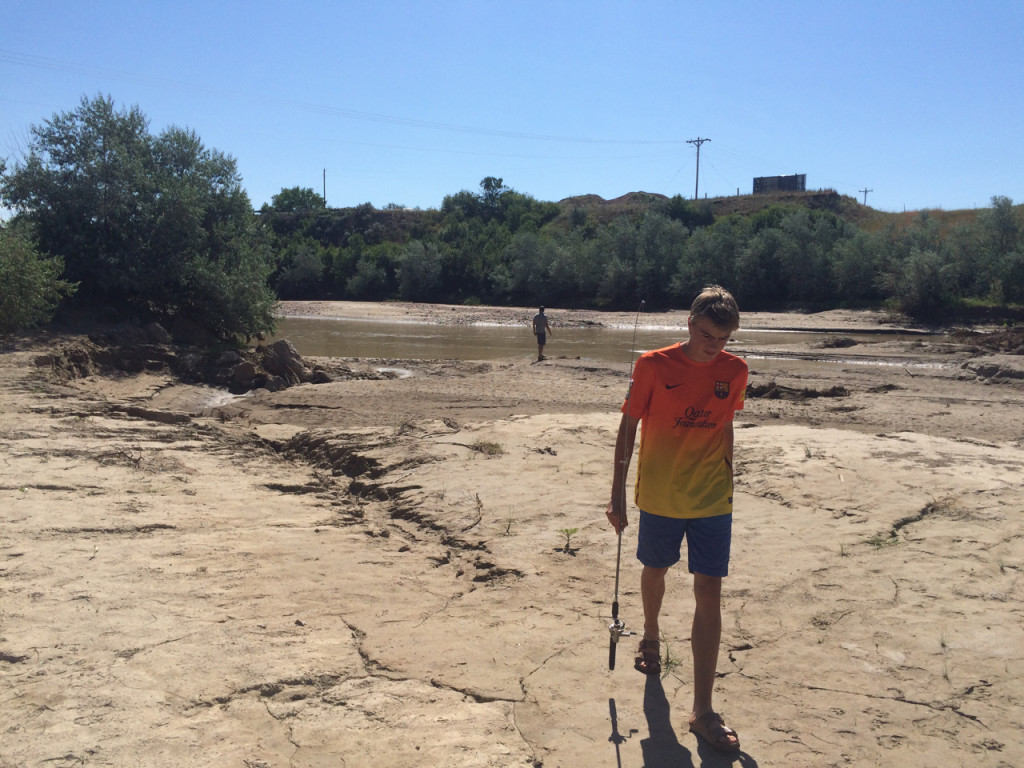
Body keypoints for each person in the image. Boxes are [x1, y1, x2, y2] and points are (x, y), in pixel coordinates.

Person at [605, 285, 748, 754]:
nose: (714, 347)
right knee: (656, 569)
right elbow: (628, 428)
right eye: (707, 335)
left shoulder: (736, 370)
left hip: (712, 500)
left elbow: (724, 422)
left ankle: (703, 710)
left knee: (709, 590)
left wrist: (727, 483)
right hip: (661, 496)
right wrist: (618, 495)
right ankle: (650, 636)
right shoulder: (652, 365)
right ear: (689, 324)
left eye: (723, 339)